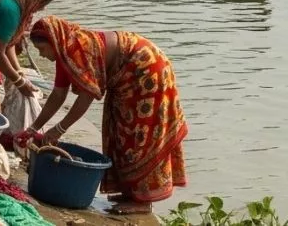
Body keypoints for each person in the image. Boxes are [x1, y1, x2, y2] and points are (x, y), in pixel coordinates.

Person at [24, 16, 188, 215]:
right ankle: (131, 193)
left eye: (42, 49)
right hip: (125, 76)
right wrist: (33, 128)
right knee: (118, 129)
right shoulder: (62, 53)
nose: (41, 55)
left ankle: (143, 201)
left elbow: (86, 97)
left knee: (139, 136)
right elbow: (58, 95)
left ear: (53, 43)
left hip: (147, 71)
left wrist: (59, 129)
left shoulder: (77, 49)